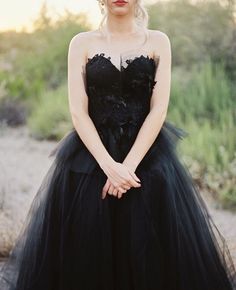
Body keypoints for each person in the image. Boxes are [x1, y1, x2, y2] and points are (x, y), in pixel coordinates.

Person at [0, 0, 236, 289]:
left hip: (146, 157)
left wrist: (128, 167)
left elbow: (158, 110)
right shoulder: (81, 43)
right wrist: (109, 166)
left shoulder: (159, 41)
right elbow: (78, 112)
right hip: (91, 157)